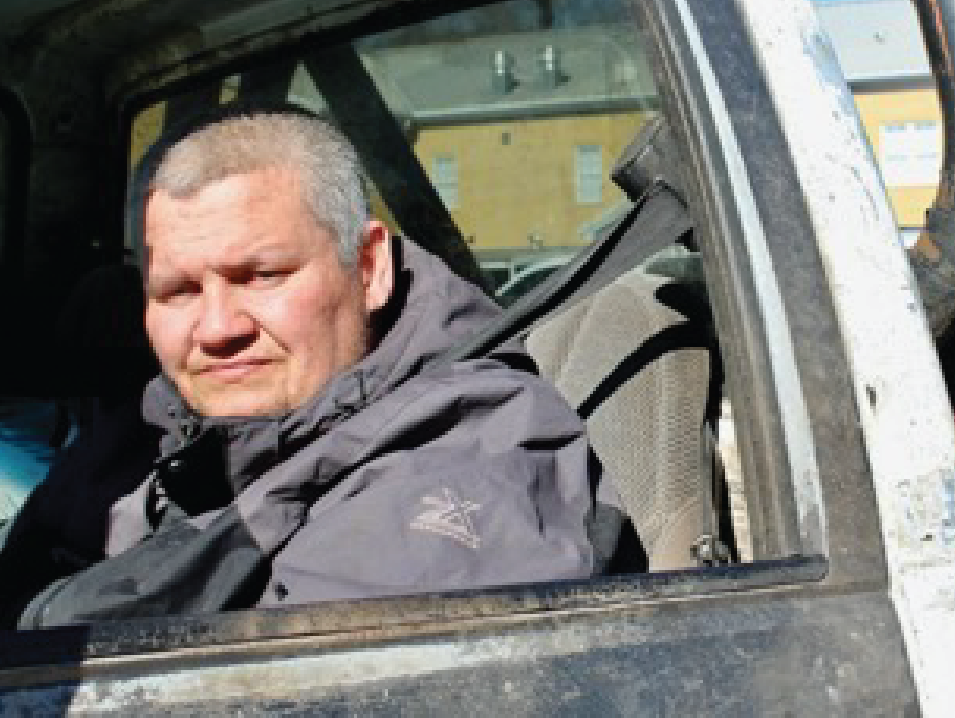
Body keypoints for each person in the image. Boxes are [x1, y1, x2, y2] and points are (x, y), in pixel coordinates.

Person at [16, 108, 595, 628]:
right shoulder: (137, 441)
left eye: (262, 276)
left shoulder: (460, 468)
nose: (217, 329)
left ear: (369, 268)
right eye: (178, 291)